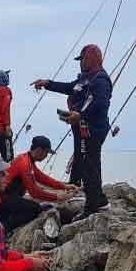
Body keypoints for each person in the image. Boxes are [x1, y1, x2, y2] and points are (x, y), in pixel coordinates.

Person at [32, 44, 112, 218]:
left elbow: (101, 104)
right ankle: (99, 199)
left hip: (93, 129)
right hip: (80, 128)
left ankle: (92, 206)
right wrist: (48, 84)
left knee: (90, 164)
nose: (80, 63)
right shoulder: (84, 79)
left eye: (82, 59)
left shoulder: (101, 80)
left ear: (91, 58)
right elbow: (69, 88)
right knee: (83, 161)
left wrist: (81, 114)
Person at [0, 135, 77, 232]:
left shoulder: (27, 159)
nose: (46, 156)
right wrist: (57, 197)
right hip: (1, 199)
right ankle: (4, 229)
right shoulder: (25, 163)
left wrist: (64, 186)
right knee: (34, 209)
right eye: (46, 153)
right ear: (38, 150)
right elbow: (34, 192)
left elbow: (42, 178)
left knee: (32, 206)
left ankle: (5, 222)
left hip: (7, 197)